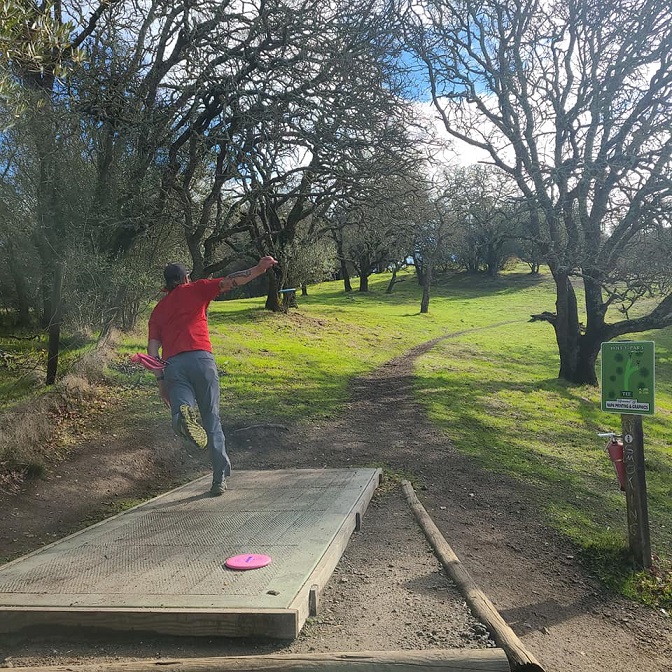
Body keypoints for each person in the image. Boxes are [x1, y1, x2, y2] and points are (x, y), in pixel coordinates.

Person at [147, 256, 278, 496]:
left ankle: (181, 416)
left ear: (166, 283)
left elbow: (152, 350)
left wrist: (160, 381)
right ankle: (219, 479)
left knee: (182, 407)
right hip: (201, 360)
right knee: (212, 421)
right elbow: (230, 281)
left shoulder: (158, 310)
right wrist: (259, 269)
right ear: (186, 278)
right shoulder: (196, 289)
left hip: (173, 366)